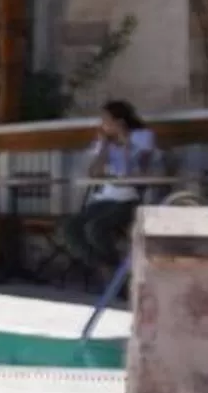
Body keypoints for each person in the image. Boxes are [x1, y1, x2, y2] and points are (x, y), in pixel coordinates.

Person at [58, 99, 161, 275]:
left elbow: (137, 168)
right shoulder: (105, 142)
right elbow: (94, 173)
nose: (102, 124)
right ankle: (106, 268)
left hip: (128, 200)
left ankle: (113, 272)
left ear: (119, 121)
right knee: (69, 226)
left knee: (95, 228)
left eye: (106, 120)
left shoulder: (142, 136)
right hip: (104, 198)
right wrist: (105, 146)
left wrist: (124, 139)